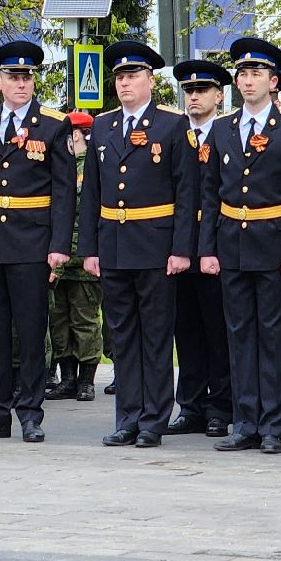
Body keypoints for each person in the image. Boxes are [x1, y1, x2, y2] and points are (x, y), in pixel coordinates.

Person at [0, 41, 77, 442]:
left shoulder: (53, 125)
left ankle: (31, 413)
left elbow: (64, 192)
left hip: (32, 239)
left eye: (27, 77)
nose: (21, 84)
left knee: (31, 331)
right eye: (14, 77)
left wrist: (59, 245)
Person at [78, 40, 199, 448]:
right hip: (114, 245)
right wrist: (89, 249)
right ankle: (127, 416)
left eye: (132, 75)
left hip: (155, 246)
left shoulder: (171, 125)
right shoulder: (103, 126)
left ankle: (153, 420)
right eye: (120, 77)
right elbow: (91, 193)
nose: (125, 83)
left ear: (150, 80)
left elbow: (187, 193)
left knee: (156, 336)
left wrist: (181, 249)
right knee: (123, 335)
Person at [197, 37, 281, 453]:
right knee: (239, 335)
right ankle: (245, 421)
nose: (247, 81)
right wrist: (207, 249)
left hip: (274, 245)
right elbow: (210, 194)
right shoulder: (222, 128)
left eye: (256, 74)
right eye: (242, 74)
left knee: (275, 337)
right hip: (232, 244)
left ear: (273, 82)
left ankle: (273, 425)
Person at [170, 59, 234, 438]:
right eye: (189, 91)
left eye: (202, 90)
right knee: (187, 329)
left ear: (218, 96)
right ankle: (190, 405)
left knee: (218, 330)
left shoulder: (226, 133)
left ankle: (221, 407)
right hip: (180, 245)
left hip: (217, 245)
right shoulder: (175, 134)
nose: (194, 97)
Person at [46, 112, 103, 404]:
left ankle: (86, 380)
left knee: (84, 321)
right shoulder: (58, 165)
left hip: (82, 259)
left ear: (76, 135)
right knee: (59, 321)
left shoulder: (92, 166)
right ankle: (67, 377)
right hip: (57, 259)